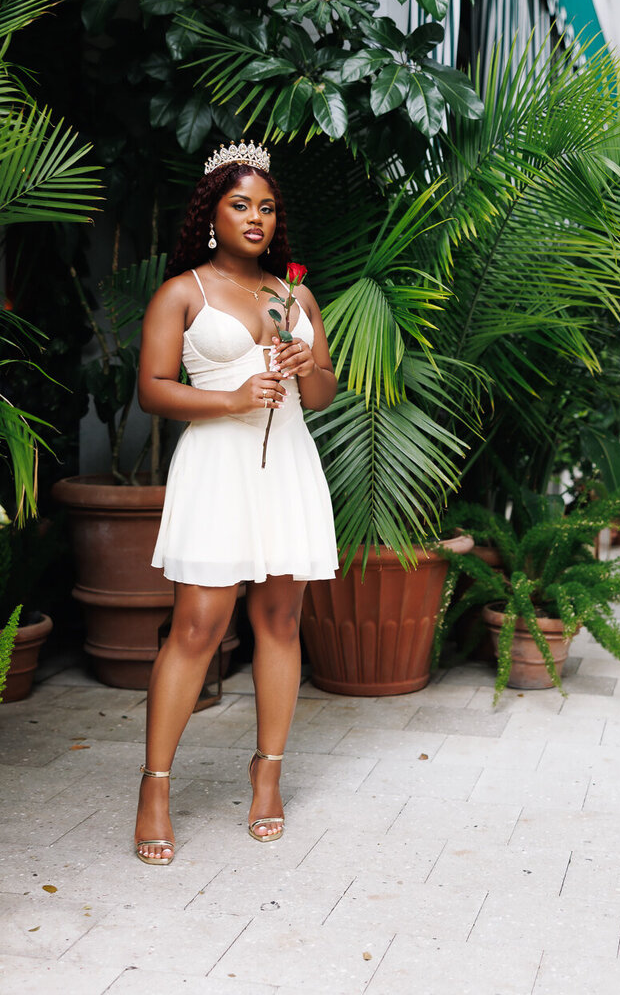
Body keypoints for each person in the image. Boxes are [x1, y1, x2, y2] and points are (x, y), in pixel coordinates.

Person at [133, 141, 338, 865]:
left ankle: (267, 775)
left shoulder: (295, 294)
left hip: (286, 462)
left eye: (267, 207)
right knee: (198, 624)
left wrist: (311, 363)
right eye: (241, 204)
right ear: (212, 214)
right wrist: (231, 396)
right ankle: (155, 787)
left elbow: (320, 396)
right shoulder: (182, 291)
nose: (256, 217)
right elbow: (152, 387)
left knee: (281, 618)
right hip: (218, 466)